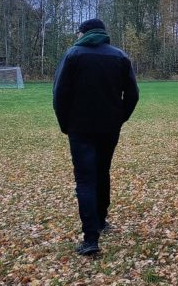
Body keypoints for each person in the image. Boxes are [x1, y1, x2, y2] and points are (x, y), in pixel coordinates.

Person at [53, 18, 139, 256]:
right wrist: (120, 117)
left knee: (85, 180)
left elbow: (59, 93)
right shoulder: (119, 56)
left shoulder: (73, 55)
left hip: (80, 128)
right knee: (102, 173)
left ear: (83, 33)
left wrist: (65, 123)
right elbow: (132, 94)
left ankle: (91, 237)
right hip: (109, 128)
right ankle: (101, 220)